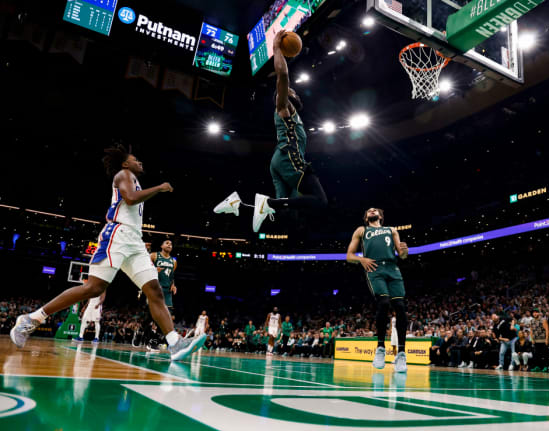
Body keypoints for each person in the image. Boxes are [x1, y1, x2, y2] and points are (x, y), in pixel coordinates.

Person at [10, 144, 205, 360]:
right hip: (117, 235)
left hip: (134, 240)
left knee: (155, 290)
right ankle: (32, 318)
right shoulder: (123, 174)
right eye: (135, 159)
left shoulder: (133, 178)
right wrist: (159, 188)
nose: (139, 162)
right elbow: (130, 198)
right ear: (124, 163)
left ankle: (174, 343)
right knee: (94, 287)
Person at [214, 30, 327, 232]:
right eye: (291, 90)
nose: (294, 91)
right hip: (288, 159)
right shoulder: (284, 108)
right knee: (320, 201)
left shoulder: (292, 115)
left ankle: (237, 203)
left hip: (280, 160)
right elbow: (283, 75)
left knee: (286, 211)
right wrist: (276, 47)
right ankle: (265, 203)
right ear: (285, 96)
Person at [346, 207, 409, 373]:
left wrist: (405, 251)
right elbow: (349, 255)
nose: (372, 211)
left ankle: (401, 353)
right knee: (384, 303)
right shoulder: (362, 230)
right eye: (368, 211)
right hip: (374, 268)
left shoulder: (391, 230)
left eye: (375, 210)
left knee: (401, 307)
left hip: (392, 268)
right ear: (366, 217)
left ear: (381, 216)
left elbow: (401, 255)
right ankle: (380, 348)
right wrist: (362, 259)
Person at [150, 240, 177, 314]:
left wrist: (173, 284)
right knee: (152, 314)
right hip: (155, 288)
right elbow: (145, 269)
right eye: (167, 243)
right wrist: (154, 269)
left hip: (167, 291)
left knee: (167, 314)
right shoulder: (154, 255)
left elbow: (171, 275)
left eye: (171, 244)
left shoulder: (173, 261)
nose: (169, 245)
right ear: (161, 246)